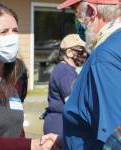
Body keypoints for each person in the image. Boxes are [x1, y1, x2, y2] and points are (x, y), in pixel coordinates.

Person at [0, 3, 58, 150]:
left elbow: (16, 127)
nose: (12, 37)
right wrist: (31, 145)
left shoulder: (18, 73)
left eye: (15, 30)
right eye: (4, 32)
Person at [58, 0, 121, 150]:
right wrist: (68, 139)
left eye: (77, 13)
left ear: (92, 12)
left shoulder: (103, 57)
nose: (77, 21)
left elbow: (115, 136)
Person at [43, 34, 88, 141]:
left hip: (60, 123)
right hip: (60, 127)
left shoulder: (65, 69)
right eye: (81, 51)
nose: (85, 54)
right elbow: (73, 103)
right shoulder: (65, 72)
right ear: (69, 53)